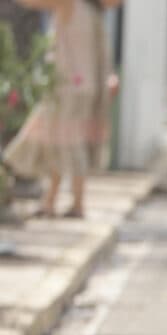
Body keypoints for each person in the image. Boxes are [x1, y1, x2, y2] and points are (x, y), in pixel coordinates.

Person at [3, 0, 120, 220]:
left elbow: (32, 3)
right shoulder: (92, 12)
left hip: (67, 86)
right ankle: (53, 200)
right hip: (85, 85)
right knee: (61, 141)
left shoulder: (72, 5)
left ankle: (75, 203)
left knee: (65, 142)